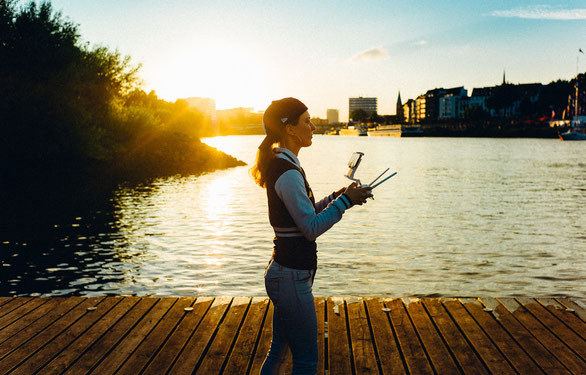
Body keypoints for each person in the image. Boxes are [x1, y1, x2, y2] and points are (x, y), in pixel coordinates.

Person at [250, 97, 373, 374]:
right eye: (307, 121)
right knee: (306, 362)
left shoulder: (285, 165)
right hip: (291, 277)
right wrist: (346, 203)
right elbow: (311, 228)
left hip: (285, 273)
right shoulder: (288, 172)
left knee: (278, 353)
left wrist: (337, 196)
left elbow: (302, 215)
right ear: (290, 129)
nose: (314, 126)